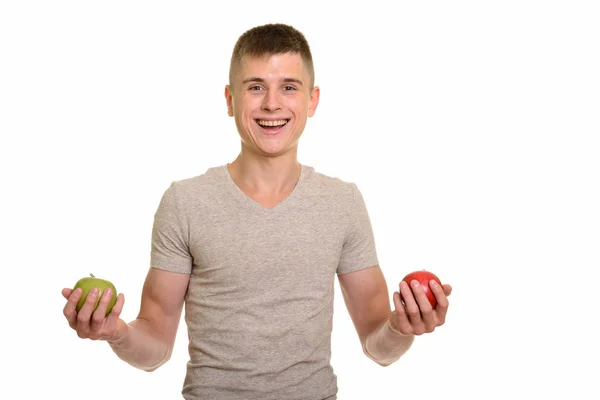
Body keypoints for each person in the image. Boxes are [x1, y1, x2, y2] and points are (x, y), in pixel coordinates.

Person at [61, 23, 452, 400]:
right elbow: (155, 347)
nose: (271, 103)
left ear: (311, 100)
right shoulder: (184, 202)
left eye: (288, 87)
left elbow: (377, 345)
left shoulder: (342, 202)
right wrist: (116, 333)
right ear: (230, 100)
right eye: (255, 87)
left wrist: (402, 328)